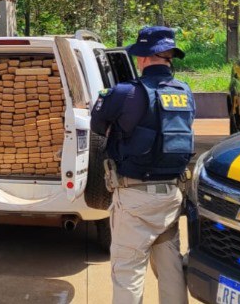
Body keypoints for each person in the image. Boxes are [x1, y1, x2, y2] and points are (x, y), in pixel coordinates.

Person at [91, 26, 195, 304]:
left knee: (127, 270)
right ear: (169, 57)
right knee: (171, 266)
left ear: (144, 58)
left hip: (135, 196)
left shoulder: (126, 92)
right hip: (172, 195)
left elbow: (97, 125)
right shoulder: (184, 92)